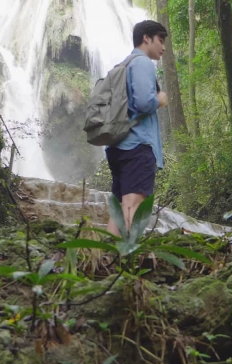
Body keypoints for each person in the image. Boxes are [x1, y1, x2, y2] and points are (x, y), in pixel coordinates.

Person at [105, 20, 168, 237]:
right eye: (161, 40)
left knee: (120, 209)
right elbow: (143, 102)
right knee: (133, 204)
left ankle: (106, 260)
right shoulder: (142, 63)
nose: (164, 47)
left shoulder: (123, 65)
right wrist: (159, 100)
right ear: (146, 38)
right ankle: (124, 258)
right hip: (137, 146)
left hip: (118, 144)